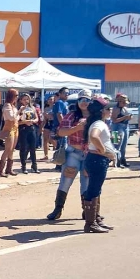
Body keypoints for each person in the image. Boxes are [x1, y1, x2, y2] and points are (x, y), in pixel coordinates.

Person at [47, 89, 92, 220]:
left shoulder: (95, 117)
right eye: (82, 100)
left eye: (87, 100)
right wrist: (77, 128)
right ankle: (58, 209)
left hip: (89, 154)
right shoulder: (72, 116)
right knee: (65, 181)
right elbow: (60, 132)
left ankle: (88, 210)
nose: (84, 103)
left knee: (87, 184)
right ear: (78, 101)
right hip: (73, 153)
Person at [83, 97, 117, 233]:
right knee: (93, 190)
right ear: (102, 111)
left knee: (96, 189)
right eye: (108, 108)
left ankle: (95, 219)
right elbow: (94, 136)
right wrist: (103, 150)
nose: (111, 111)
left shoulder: (98, 122)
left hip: (96, 159)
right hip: (97, 159)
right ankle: (90, 223)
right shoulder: (99, 124)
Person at [0, 88, 19, 177]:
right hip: (9, 128)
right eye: (16, 95)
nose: (17, 97)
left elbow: (16, 118)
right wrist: (19, 112)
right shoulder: (7, 106)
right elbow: (11, 117)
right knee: (7, 149)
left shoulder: (13, 106)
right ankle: (0, 170)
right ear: (11, 96)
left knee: (12, 149)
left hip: (15, 127)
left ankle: (9, 169)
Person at [17, 93, 40, 174]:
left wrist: (33, 121)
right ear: (21, 100)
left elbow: (37, 118)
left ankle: (34, 165)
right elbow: (16, 121)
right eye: (24, 99)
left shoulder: (32, 108)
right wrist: (25, 122)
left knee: (33, 148)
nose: (26, 101)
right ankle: (23, 166)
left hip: (32, 128)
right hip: (23, 129)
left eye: (27, 99)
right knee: (23, 148)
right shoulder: (19, 109)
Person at [111, 94, 132, 168]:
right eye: (123, 102)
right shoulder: (116, 109)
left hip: (125, 127)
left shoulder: (125, 108)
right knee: (116, 145)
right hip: (116, 128)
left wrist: (128, 118)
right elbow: (114, 120)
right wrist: (125, 117)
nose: (125, 104)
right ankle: (116, 161)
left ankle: (122, 160)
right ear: (119, 102)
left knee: (123, 146)